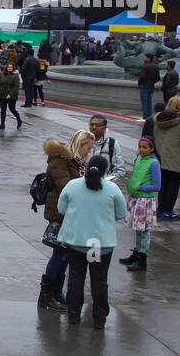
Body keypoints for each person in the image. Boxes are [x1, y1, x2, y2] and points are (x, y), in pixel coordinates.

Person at [56, 155, 126, 329]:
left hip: (77, 242)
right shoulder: (112, 188)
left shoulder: (73, 185)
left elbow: (61, 208)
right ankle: (100, 317)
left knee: (76, 277)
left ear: (87, 168)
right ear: (105, 171)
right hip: (99, 244)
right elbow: (121, 213)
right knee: (99, 279)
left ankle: (73, 314)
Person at [39, 130, 94, 313]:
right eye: (88, 147)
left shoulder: (77, 161)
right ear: (80, 145)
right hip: (60, 212)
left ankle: (56, 291)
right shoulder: (60, 160)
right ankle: (46, 295)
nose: (89, 152)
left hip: (72, 213)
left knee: (66, 254)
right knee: (60, 253)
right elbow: (66, 187)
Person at [120, 137, 160, 272]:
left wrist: (140, 188)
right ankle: (136, 254)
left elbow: (157, 186)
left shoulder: (154, 163)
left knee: (144, 231)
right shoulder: (138, 159)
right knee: (137, 229)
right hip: (136, 200)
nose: (142, 150)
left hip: (145, 201)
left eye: (145, 147)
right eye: (140, 147)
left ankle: (142, 259)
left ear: (152, 149)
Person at [88, 115, 125, 184]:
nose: (94, 127)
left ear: (104, 127)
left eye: (98, 125)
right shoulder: (82, 141)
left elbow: (120, 170)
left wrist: (105, 183)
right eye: (92, 124)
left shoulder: (112, 144)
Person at [0, 62, 22, 130]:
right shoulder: (3, 74)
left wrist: (10, 94)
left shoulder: (15, 76)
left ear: (13, 68)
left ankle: (19, 120)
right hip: (3, 94)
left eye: (11, 67)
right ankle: (2, 124)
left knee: (12, 109)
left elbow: (16, 87)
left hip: (11, 95)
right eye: (8, 67)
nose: (9, 68)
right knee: (3, 110)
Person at [136, 53, 159, 120]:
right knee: (149, 102)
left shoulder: (145, 66)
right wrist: (152, 82)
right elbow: (157, 78)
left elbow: (142, 76)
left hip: (144, 86)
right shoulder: (155, 66)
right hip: (151, 86)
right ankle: (149, 116)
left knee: (144, 102)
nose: (144, 58)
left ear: (148, 58)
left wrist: (140, 83)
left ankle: (145, 116)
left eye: (145, 57)